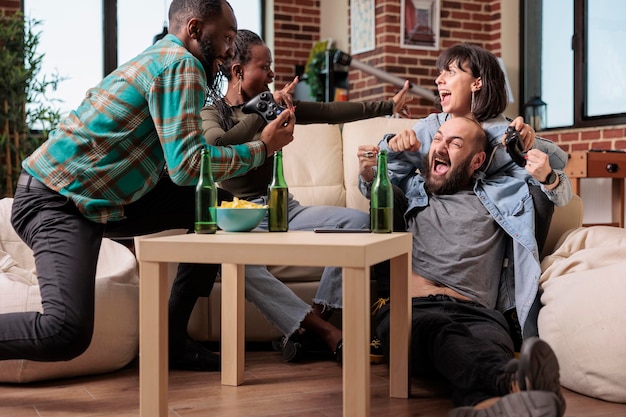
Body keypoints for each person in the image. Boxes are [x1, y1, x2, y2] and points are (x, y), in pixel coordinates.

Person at [2, 0, 295, 373]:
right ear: (193, 30)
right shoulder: (181, 64)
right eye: (225, 37)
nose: (227, 50)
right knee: (66, 330)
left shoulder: (161, 58)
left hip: (94, 199)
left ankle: (171, 342)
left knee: (207, 207)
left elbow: (176, 164)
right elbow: (189, 165)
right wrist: (263, 148)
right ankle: (171, 341)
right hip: (56, 200)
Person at [201, 29, 411, 362]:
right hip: (237, 217)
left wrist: (387, 105)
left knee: (361, 224)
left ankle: (309, 325)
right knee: (234, 263)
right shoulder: (212, 113)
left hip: (282, 208)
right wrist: (258, 112)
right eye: (264, 66)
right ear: (239, 71)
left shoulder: (273, 105)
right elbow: (217, 144)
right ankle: (327, 333)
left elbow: (329, 112)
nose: (272, 74)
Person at [364, 43, 572, 352]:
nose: (438, 80)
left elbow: (556, 165)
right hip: (424, 260)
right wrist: (388, 147)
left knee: (533, 194)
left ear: (477, 82)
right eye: (440, 73)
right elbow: (383, 172)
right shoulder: (430, 127)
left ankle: (512, 314)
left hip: (480, 265)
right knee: (387, 195)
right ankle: (386, 299)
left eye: (449, 72)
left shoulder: (502, 133)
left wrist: (530, 145)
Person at [362, 116, 566, 417]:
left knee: (480, 349)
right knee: (441, 333)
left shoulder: (505, 197)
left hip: (480, 316)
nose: (440, 147)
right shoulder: (412, 189)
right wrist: (373, 164)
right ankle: (513, 383)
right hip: (412, 311)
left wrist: (546, 173)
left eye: (455, 143)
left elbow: (556, 180)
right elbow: (375, 184)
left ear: (478, 160)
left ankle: (485, 407)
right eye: (439, 139)